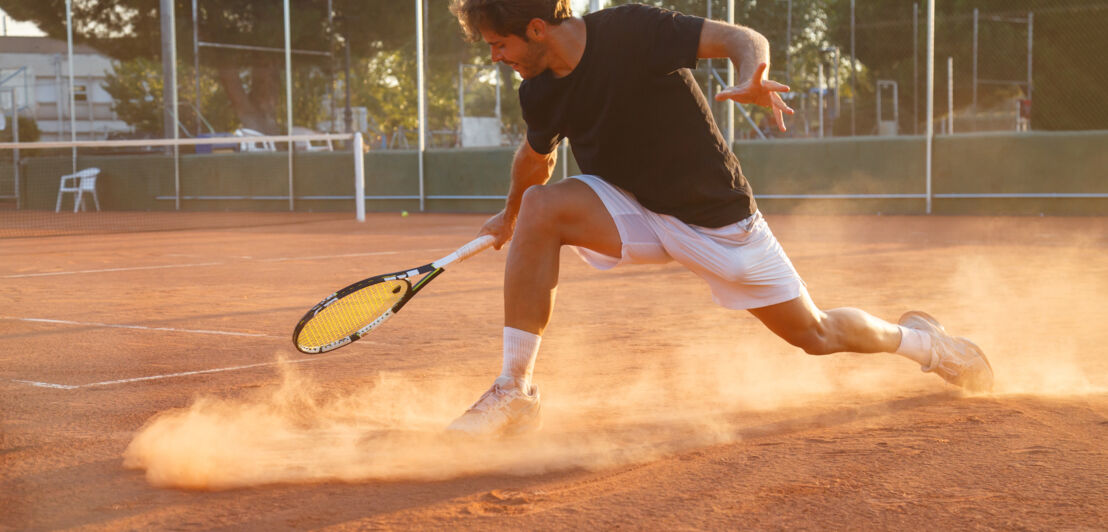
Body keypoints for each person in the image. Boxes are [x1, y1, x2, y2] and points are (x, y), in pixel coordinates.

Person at [445, 0, 993, 436]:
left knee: (816, 333)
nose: (495, 56)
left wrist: (753, 73)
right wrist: (512, 214)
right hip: (631, 206)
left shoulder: (633, 29)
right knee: (544, 206)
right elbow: (535, 157)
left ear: (537, 28)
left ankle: (927, 343)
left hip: (715, 220)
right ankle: (513, 391)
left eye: (499, 44)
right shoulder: (538, 90)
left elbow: (739, 37)